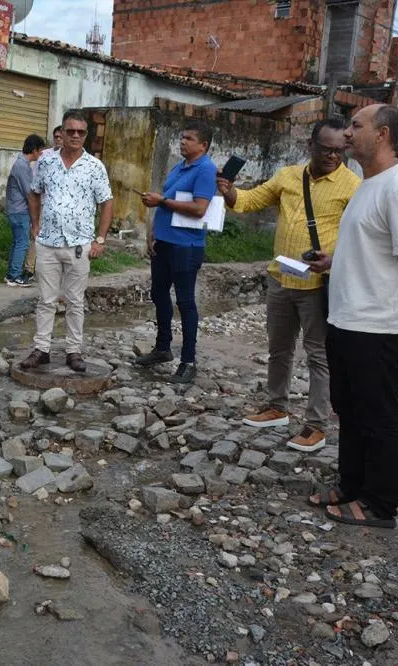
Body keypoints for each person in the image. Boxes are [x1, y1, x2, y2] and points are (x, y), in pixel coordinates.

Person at [306, 104, 398, 529]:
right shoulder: (368, 184)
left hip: (376, 324)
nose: (346, 134)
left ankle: (379, 504)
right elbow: (374, 247)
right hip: (346, 318)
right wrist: (335, 260)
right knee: (349, 409)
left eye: (355, 126)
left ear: (381, 135)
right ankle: (350, 485)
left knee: (376, 416)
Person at [218, 118, 360, 453]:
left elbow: (360, 237)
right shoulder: (287, 176)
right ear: (310, 146)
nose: (333, 157)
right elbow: (251, 200)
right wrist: (230, 192)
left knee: (318, 356)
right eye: (326, 149)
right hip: (282, 277)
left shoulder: (353, 187)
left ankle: (315, 425)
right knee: (279, 348)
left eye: (340, 151)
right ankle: (277, 407)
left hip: (317, 283)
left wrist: (335, 259)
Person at [18, 110, 113, 373]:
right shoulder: (46, 162)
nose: (75, 136)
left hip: (79, 245)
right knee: (46, 300)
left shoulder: (95, 167)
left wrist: (101, 239)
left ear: (86, 135)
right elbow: (34, 193)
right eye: (70, 131)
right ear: (61, 132)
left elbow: (106, 203)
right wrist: (35, 225)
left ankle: (74, 351)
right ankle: (42, 349)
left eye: (80, 132)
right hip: (48, 243)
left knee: (75, 301)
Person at [135, 121, 218, 384]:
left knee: (185, 301)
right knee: (158, 293)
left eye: (189, 138)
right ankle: (163, 348)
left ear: (203, 145)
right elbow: (167, 202)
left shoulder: (206, 169)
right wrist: (153, 230)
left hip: (186, 246)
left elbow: (199, 208)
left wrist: (161, 202)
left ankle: (189, 360)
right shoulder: (178, 166)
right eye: (182, 137)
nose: (183, 142)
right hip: (165, 241)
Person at [21, 125, 65, 282]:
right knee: (36, 235)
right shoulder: (44, 155)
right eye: (56, 137)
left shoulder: (70, 157)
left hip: (61, 206)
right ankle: (29, 268)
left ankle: (53, 271)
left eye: (61, 136)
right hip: (43, 203)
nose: (58, 139)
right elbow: (35, 180)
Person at [5, 134, 45, 287]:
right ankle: (15, 275)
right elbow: (30, 193)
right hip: (19, 210)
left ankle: (11, 274)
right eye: (39, 151)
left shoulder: (22, 164)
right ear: (34, 150)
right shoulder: (22, 166)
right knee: (22, 243)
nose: (40, 154)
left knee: (17, 243)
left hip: (15, 209)